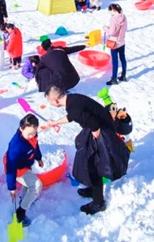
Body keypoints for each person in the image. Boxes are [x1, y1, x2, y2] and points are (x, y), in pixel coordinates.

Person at [45, 87, 130, 215]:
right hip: (101, 128)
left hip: (102, 133)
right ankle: (94, 190)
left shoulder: (73, 107)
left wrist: (95, 142)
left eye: (49, 101)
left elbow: (94, 125)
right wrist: (55, 122)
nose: (50, 104)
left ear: (55, 100)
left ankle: (98, 203)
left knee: (93, 166)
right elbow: (73, 116)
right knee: (88, 162)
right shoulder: (73, 100)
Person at [4, 114, 44, 227]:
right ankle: (20, 213)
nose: (31, 136)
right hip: (17, 169)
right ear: (21, 129)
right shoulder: (16, 146)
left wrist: (38, 157)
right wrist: (11, 187)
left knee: (28, 186)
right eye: (29, 134)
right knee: (36, 185)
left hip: (25, 164)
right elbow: (10, 166)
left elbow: (35, 145)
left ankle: (26, 199)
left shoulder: (32, 136)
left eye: (34, 133)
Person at [105, 4, 128, 86]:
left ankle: (114, 79)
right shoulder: (123, 17)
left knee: (115, 61)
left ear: (113, 10)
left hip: (114, 43)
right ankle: (123, 75)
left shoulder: (114, 19)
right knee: (122, 58)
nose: (110, 13)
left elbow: (112, 32)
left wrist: (106, 28)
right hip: (122, 41)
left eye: (110, 11)